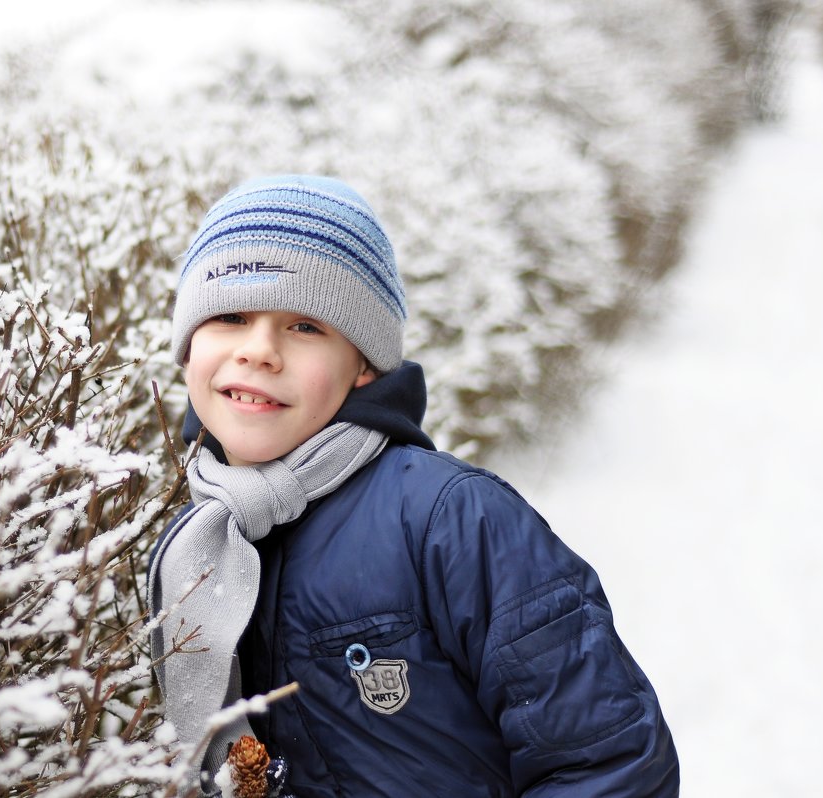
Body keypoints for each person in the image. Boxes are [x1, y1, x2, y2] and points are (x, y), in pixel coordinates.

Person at [147, 174, 679, 797]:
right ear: (187, 348)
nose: (259, 351)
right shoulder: (196, 545)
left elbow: (610, 762)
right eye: (230, 316)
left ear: (366, 364)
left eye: (306, 326)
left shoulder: (450, 520)